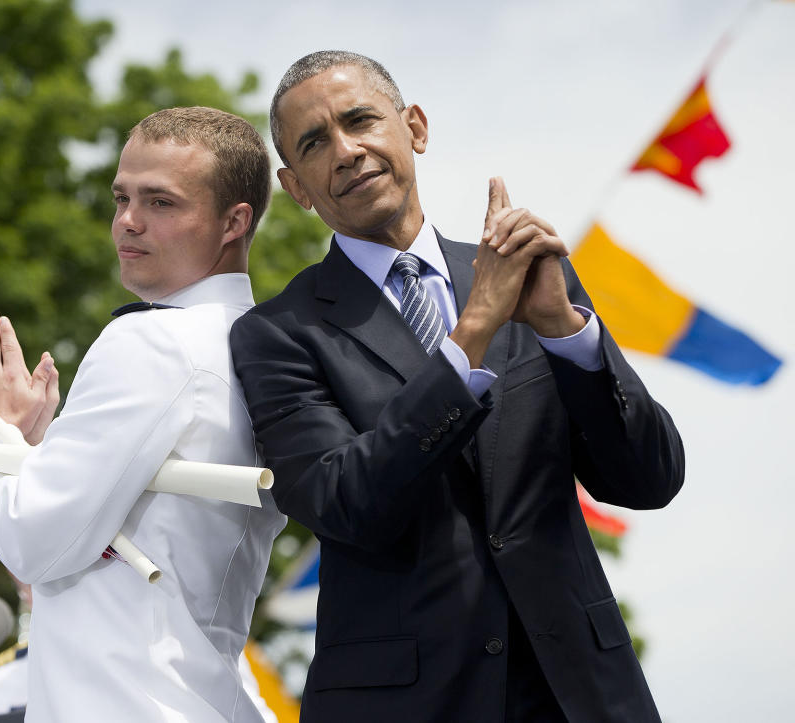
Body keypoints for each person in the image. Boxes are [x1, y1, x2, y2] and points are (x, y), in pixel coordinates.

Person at [229, 51, 684, 723]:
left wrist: (564, 330)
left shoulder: (531, 276)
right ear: (297, 188)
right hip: (408, 703)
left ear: (414, 126)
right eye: (316, 142)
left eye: (360, 120)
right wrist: (472, 331)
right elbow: (347, 502)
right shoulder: (276, 333)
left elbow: (649, 478)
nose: (347, 151)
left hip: (579, 693)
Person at [0, 106, 286, 722]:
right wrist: (39, 445)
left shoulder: (153, 342)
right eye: (121, 197)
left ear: (234, 221)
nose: (127, 223)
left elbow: (34, 541)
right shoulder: (262, 346)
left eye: (161, 203)